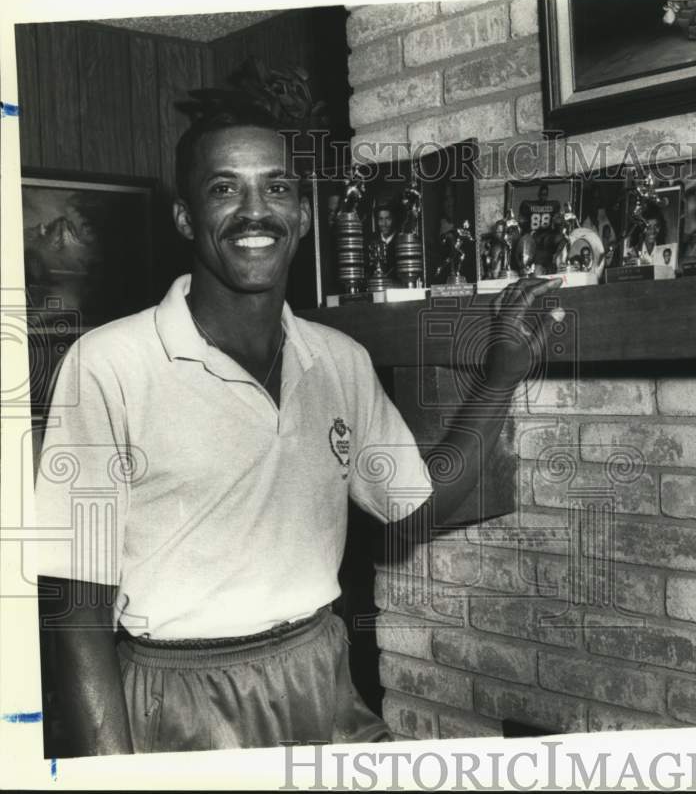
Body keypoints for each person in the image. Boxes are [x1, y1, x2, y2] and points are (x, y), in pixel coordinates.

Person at [30, 99, 562, 756]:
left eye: (277, 187)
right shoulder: (108, 364)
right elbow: (76, 609)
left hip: (320, 676)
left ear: (304, 215)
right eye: (224, 188)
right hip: (180, 702)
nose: (255, 210)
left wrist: (501, 377)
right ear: (185, 217)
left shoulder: (339, 361)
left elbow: (416, 509)